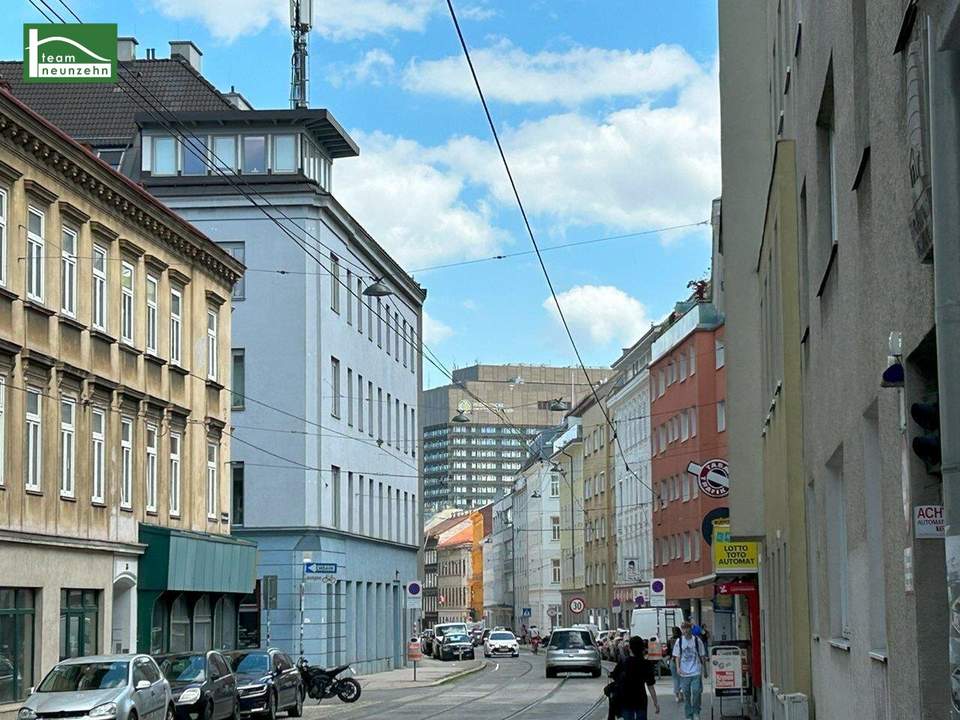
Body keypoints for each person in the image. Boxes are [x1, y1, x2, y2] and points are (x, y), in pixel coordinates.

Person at [608, 636, 660, 720]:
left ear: (630, 648)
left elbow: (614, 676)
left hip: (626, 698)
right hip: (641, 698)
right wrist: (655, 703)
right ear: (642, 648)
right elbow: (650, 686)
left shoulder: (624, 662)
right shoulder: (646, 664)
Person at [672, 621, 708, 720]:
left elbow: (702, 655)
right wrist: (678, 668)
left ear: (690, 629)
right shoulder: (679, 641)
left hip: (696, 671)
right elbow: (677, 657)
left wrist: (705, 670)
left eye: (687, 628)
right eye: (683, 628)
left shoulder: (697, 640)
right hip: (684, 673)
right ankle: (689, 715)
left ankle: (696, 712)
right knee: (687, 695)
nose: (685, 630)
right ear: (682, 630)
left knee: (696, 692)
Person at [667, 626, 683, 703]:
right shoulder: (682, 640)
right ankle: (681, 692)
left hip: (672, 660)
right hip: (682, 660)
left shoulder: (670, 640)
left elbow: (668, 652)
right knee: (682, 678)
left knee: (675, 678)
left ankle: (677, 695)